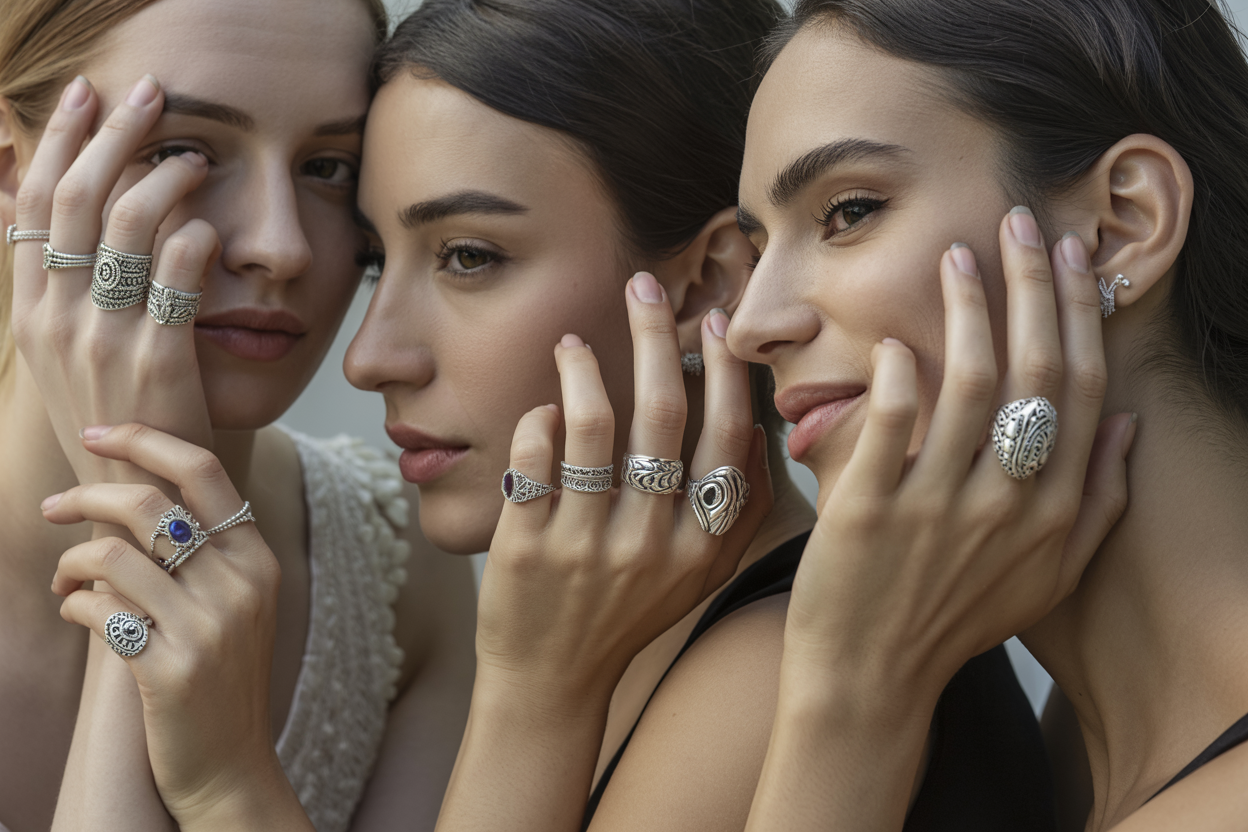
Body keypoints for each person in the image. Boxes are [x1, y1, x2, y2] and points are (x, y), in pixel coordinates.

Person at [41, 0, 1092, 829]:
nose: (368, 357)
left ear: (706, 285)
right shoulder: (654, 645)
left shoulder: (770, 681)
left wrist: (231, 784)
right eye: (373, 261)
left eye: (467, 257)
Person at [727, 0, 1248, 829]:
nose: (749, 326)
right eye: (756, 254)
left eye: (848, 211)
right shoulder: (1055, 772)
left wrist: (850, 700)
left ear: (1121, 227)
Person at [0, 2, 475, 831]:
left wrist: (148, 546)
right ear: (13, 171)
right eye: (179, 153)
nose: (281, 246)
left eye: (328, 167)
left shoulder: (395, 564)